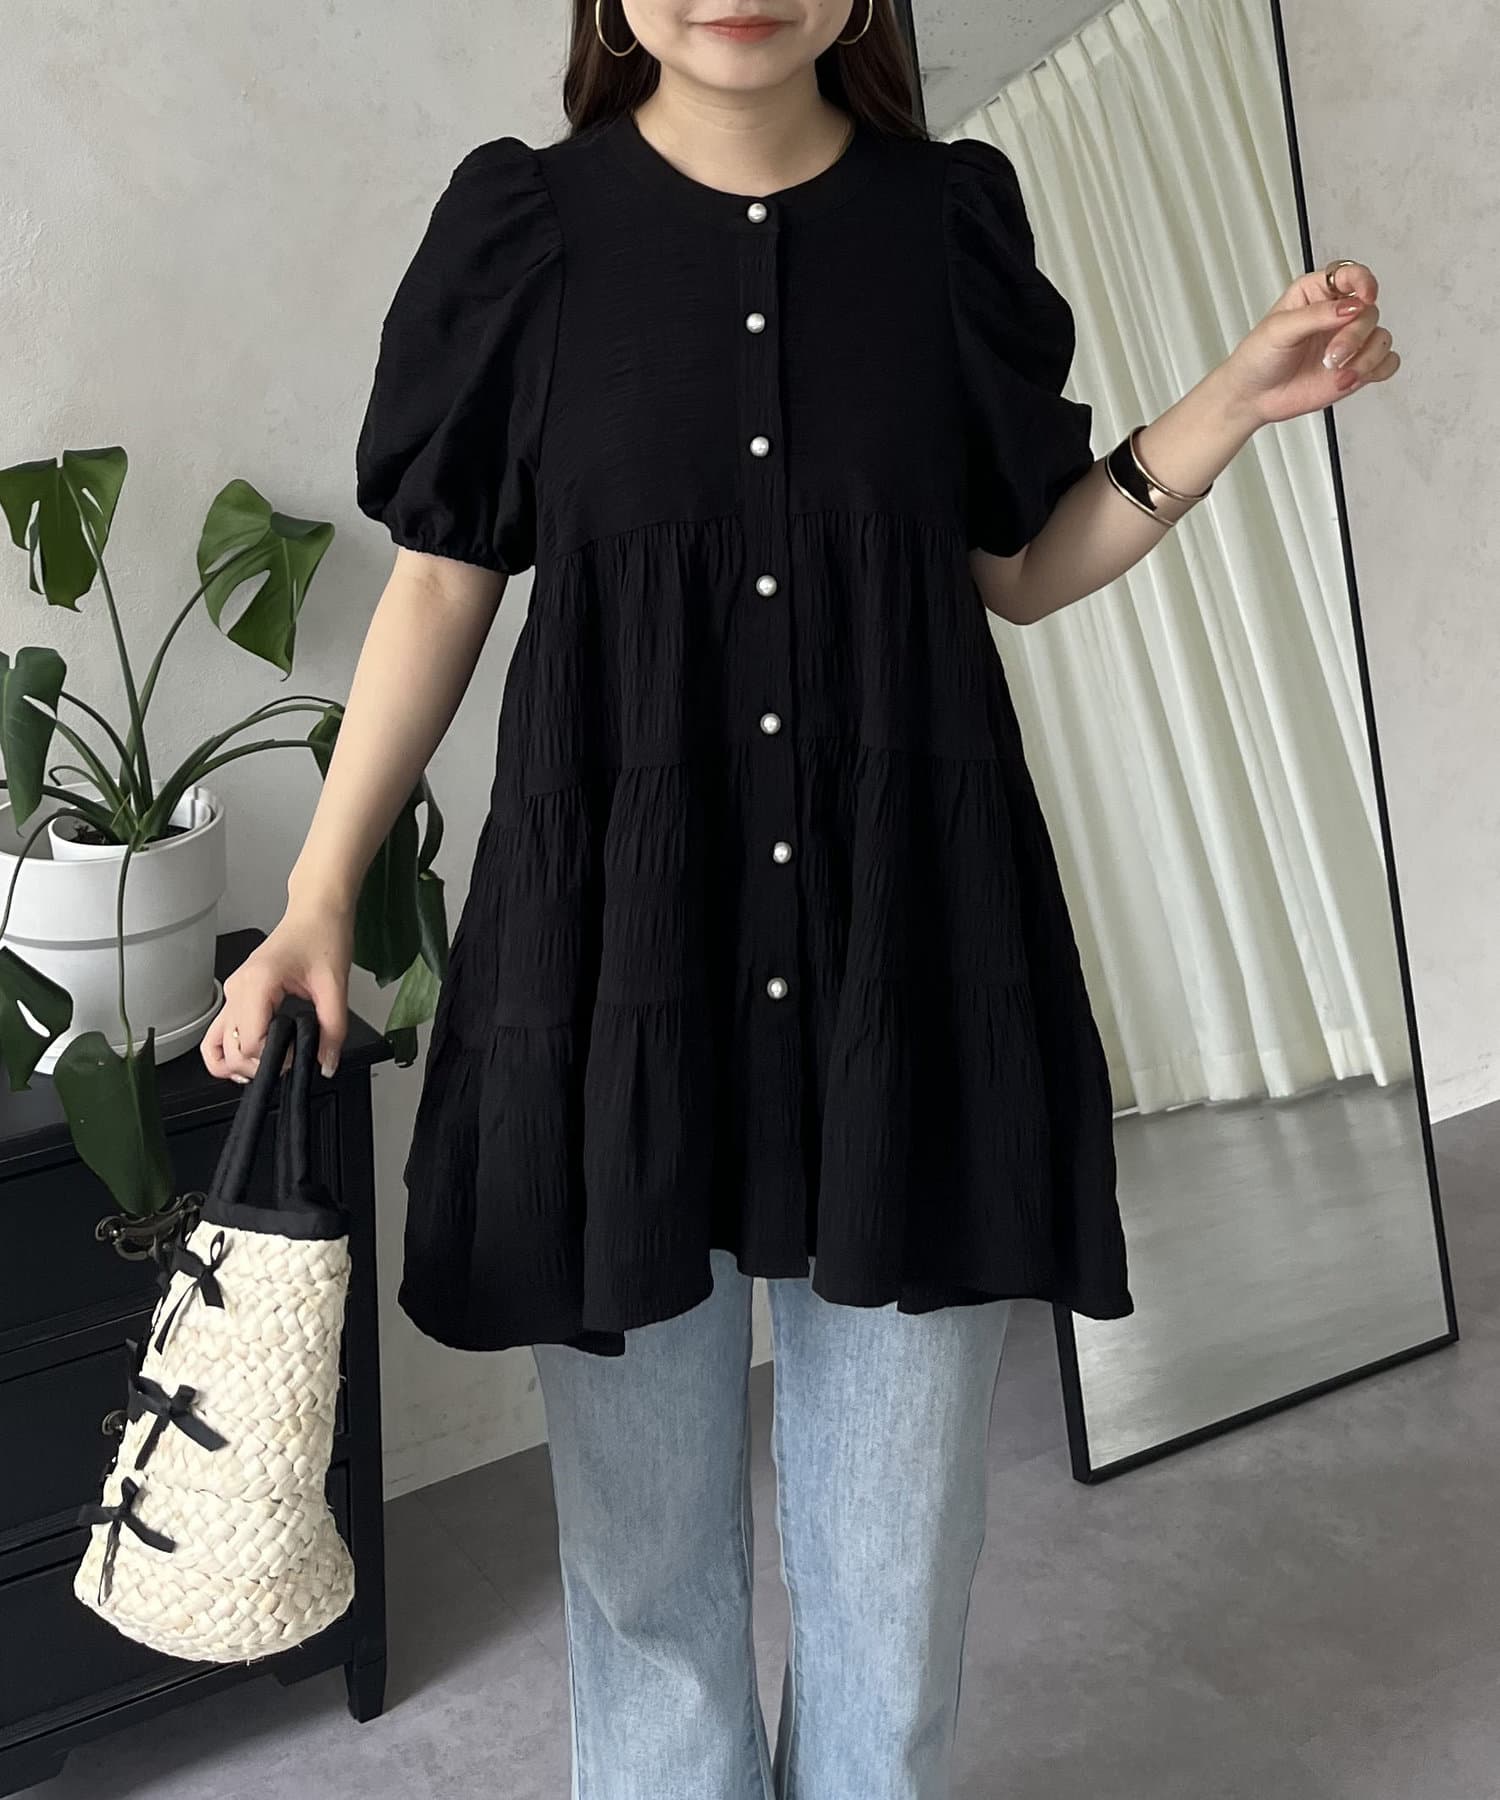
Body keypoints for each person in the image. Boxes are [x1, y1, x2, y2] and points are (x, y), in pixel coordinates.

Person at [201, 1, 1398, 1793]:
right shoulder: (524, 232)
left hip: (910, 962)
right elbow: (441, 586)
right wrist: (316, 896)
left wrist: (1228, 404)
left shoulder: (946, 227)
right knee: (645, 1598)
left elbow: (1019, 564)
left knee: (895, 1598)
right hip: (616, 981)